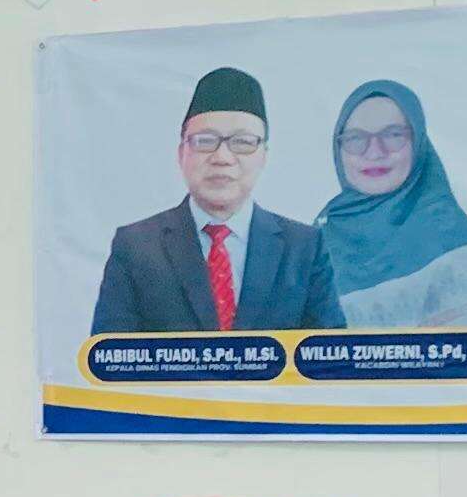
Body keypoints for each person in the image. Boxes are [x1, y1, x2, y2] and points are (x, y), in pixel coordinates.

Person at [89, 66, 349, 334]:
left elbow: (329, 359)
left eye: (243, 142)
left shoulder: (304, 248)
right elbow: (109, 359)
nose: (222, 157)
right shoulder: (136, 246)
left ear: (264, 156)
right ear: (181, 154)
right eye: (205, 141)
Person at [317, 80, 467, 329]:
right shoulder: (320, 236)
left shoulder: (447, 233)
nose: (375, 152)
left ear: (419, 144)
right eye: (356, 138)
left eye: (393, 135)